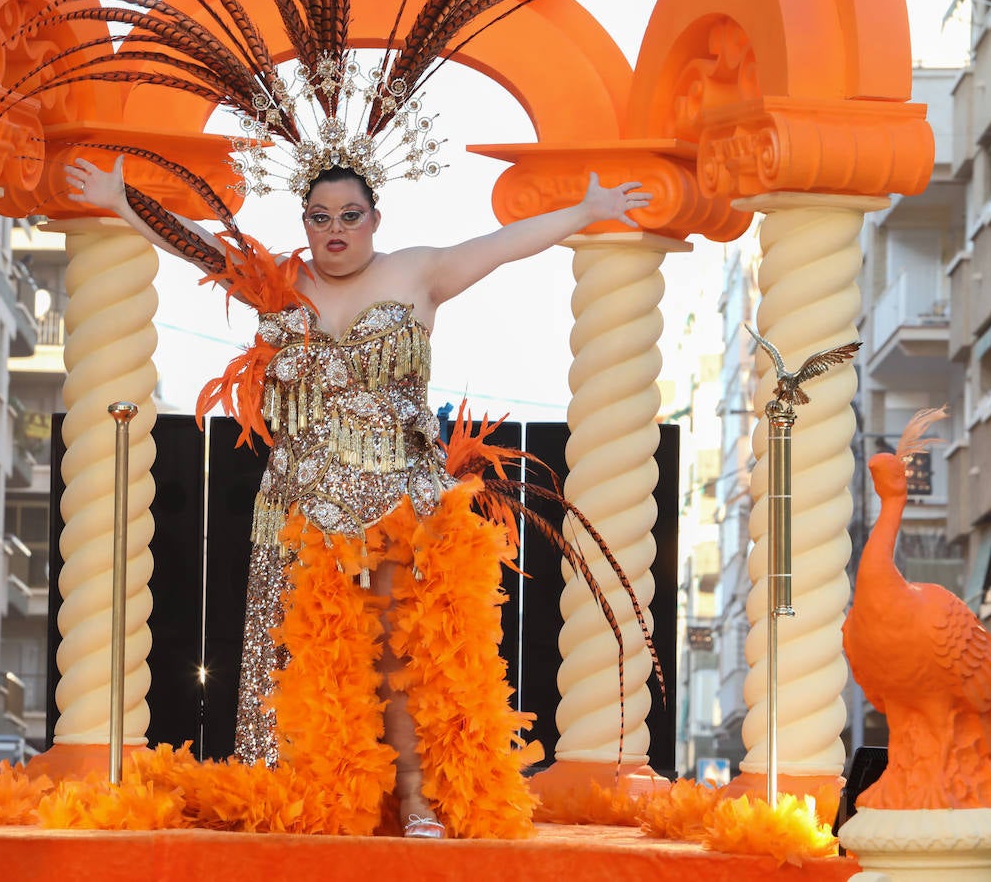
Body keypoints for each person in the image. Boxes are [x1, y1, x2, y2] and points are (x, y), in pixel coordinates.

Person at [64, 154, 651, 839]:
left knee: (400, 654)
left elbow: (500, 246)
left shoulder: (418, 272)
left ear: (374, 220)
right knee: (312, 660)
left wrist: (583, 212)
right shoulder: (277, 284)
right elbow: (197, 241)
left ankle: (417, 800)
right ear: (304, 224)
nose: (334, 230)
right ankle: (321, 796)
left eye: (349, 216)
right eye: (319, 218)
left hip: (400, 496)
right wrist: (120, 197)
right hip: (303, 502)